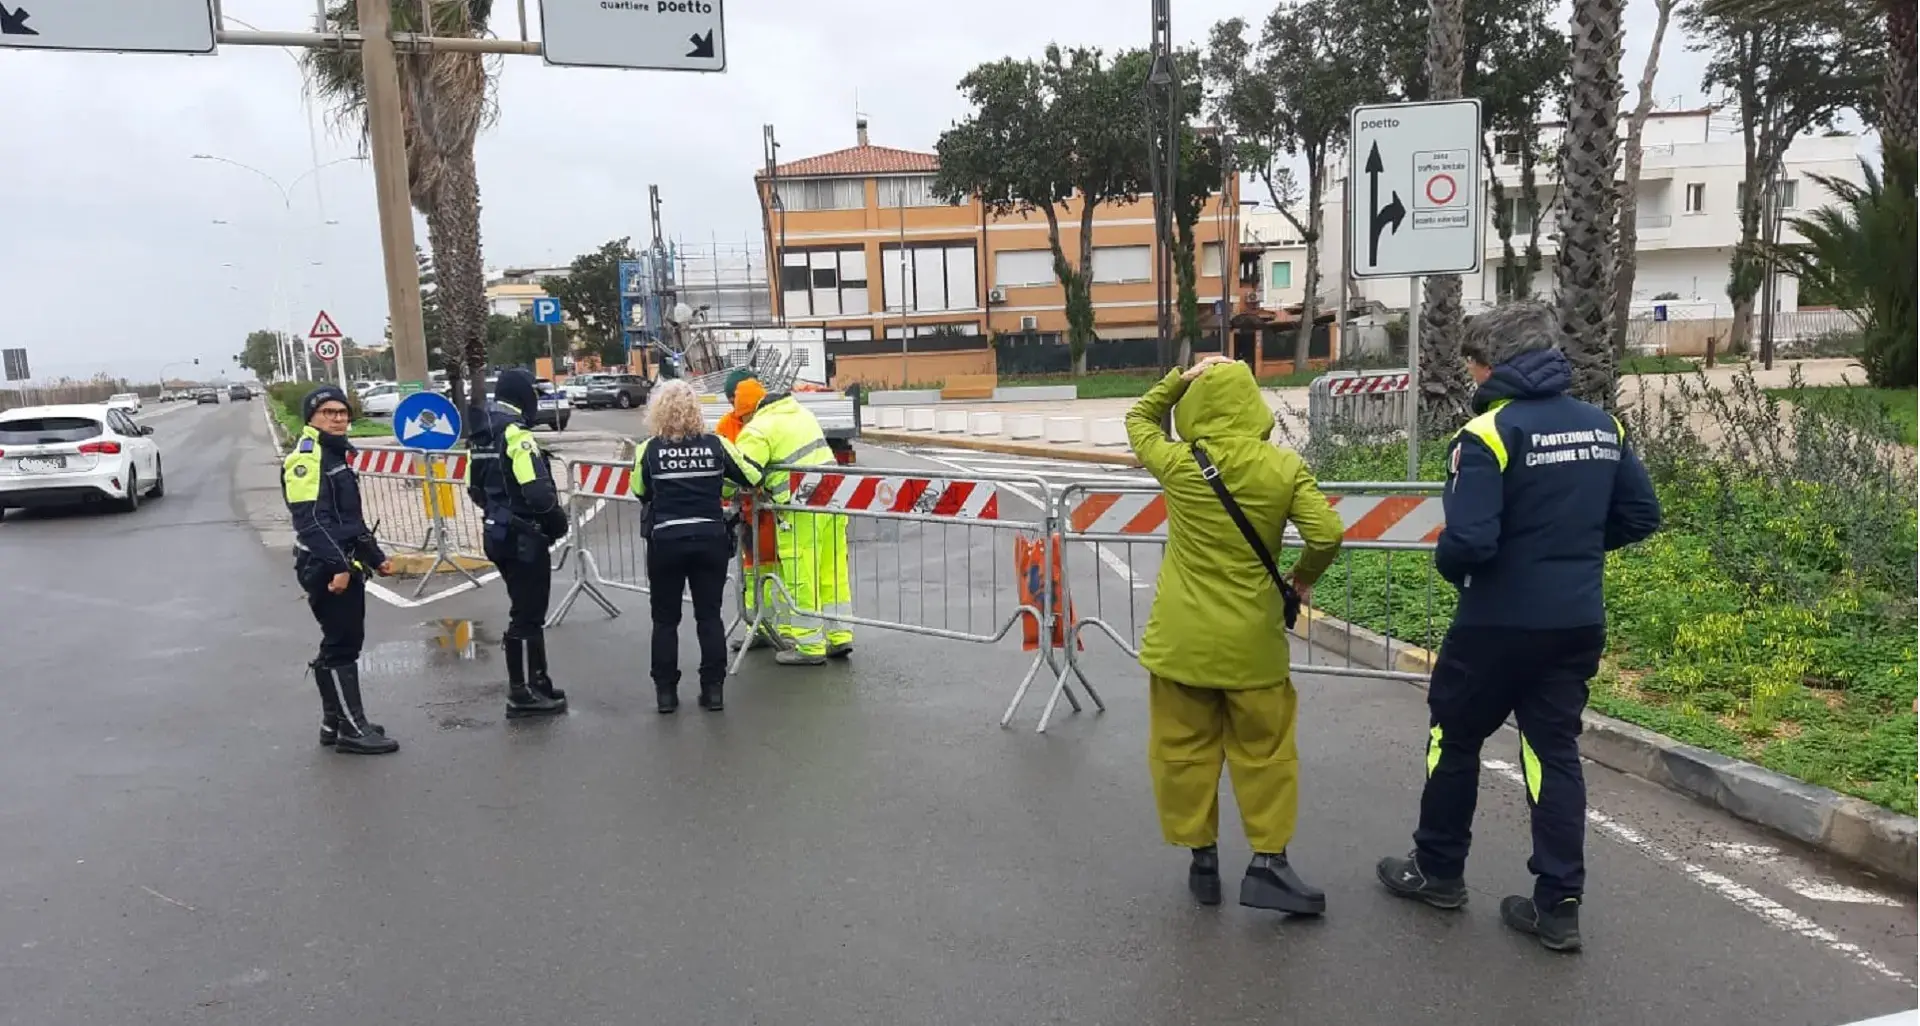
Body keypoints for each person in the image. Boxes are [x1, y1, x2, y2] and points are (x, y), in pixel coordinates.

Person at [1375, 301, 1662, 953]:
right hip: (1576, 621)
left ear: (1490, 365)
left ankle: (1439, 871)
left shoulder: (1488, 435)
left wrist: (1455, 565)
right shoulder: (1602, 427)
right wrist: (1573, 552)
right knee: (1552, 754)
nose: (1472, 376)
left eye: (1473, 364)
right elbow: (1642, 515)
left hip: (1496, 625)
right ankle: (1558, 905)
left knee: (1453, 738)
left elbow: (1470, 543)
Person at [1127, 354, 1344, 915]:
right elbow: (1326, 533)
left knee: (1183, 751)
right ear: (1253, 404)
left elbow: (1138, 422)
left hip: (1181, 643)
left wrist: (1178, 380)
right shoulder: (1282, 468)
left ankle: (1202, 860)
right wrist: (1301, 579)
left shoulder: (1178, 464)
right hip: (1253, 645)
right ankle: (1269, 863)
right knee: (1265, 752)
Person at [283, 385, 400, 756]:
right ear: (311, 418)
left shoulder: (334, 456)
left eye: (342, 412)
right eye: (327, 413)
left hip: (342, 558)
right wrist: (339, 567)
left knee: (342, 641)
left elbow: (349, 519)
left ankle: (335, 722)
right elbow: (312, 522)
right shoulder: (307, 459)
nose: (337, 418)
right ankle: (351, 728)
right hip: (325, 563)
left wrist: (375, 555)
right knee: (342, 645)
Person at [631, 380, 760, 713]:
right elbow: (751, 475)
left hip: (666, 541)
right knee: (709, 617)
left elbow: (639, 490)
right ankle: (713, 690)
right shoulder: (717, 445)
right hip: (709, 539)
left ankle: (666, 695)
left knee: (664, 620)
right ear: (696, 411)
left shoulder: (649, 449)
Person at [466, 368, 572, 720]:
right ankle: (521, 693)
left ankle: (537, 681)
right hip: (522, 535)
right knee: (527, 614)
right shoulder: (515, 434)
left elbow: (474, 488)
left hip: (496, 532)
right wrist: (556, 522)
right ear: (523, 396)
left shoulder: (481, 433)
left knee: (525, 610)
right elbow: (538, 491)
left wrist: (499, 511)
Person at [733, 378, 851, 666]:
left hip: (799, 510)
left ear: (748, 412)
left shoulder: (758, 429)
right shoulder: (802, 414)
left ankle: (809, 646)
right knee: (832, 573)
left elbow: (742, 473)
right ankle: (839, 636)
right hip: (832, 503)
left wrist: (723, 491)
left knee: (801, 575)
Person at [716, 370, 784, 653]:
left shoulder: (767, 422)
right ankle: (755, 624)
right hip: (748, 510)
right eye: (733, 400)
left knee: (781, 568)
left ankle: (782, 627)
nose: (737, 406)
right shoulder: (725, 426)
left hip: (773, 507)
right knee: (752, 568)